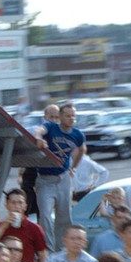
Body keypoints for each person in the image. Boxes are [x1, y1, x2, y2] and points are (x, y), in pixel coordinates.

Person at [37, 104, 86, 250]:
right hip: (45, 179)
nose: (71, 118)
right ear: (60, 117)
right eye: (67, 115)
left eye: (73, 116)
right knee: (45, 215)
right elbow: (39, 130)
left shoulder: (77, 134)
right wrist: (39, 138)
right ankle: (49, 250)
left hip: (63, 178)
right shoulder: (51, 128)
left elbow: (82, 149)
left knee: (64, 217)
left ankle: (62, 249)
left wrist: (73, 167)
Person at [0, 189, 48, 262]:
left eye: (20, 203)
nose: (17, 206)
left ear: (25, 206)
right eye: (13, 203)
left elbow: (43, 255)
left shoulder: (34, 228)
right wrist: (4, 225)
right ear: (7, 205)